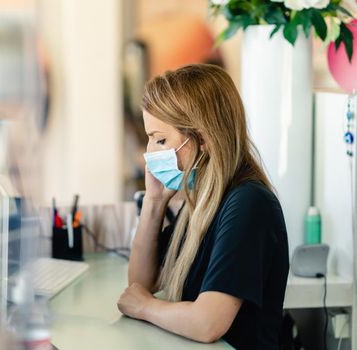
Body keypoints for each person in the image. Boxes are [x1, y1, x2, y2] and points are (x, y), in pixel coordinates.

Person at [117, 64, 289, 349]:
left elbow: (207, 322)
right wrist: (155, 202)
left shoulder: (248, 204)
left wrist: (145, 308)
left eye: (160, 139)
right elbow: (140, 283)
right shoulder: (204, 200)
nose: (150, 153)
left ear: (204, 138)